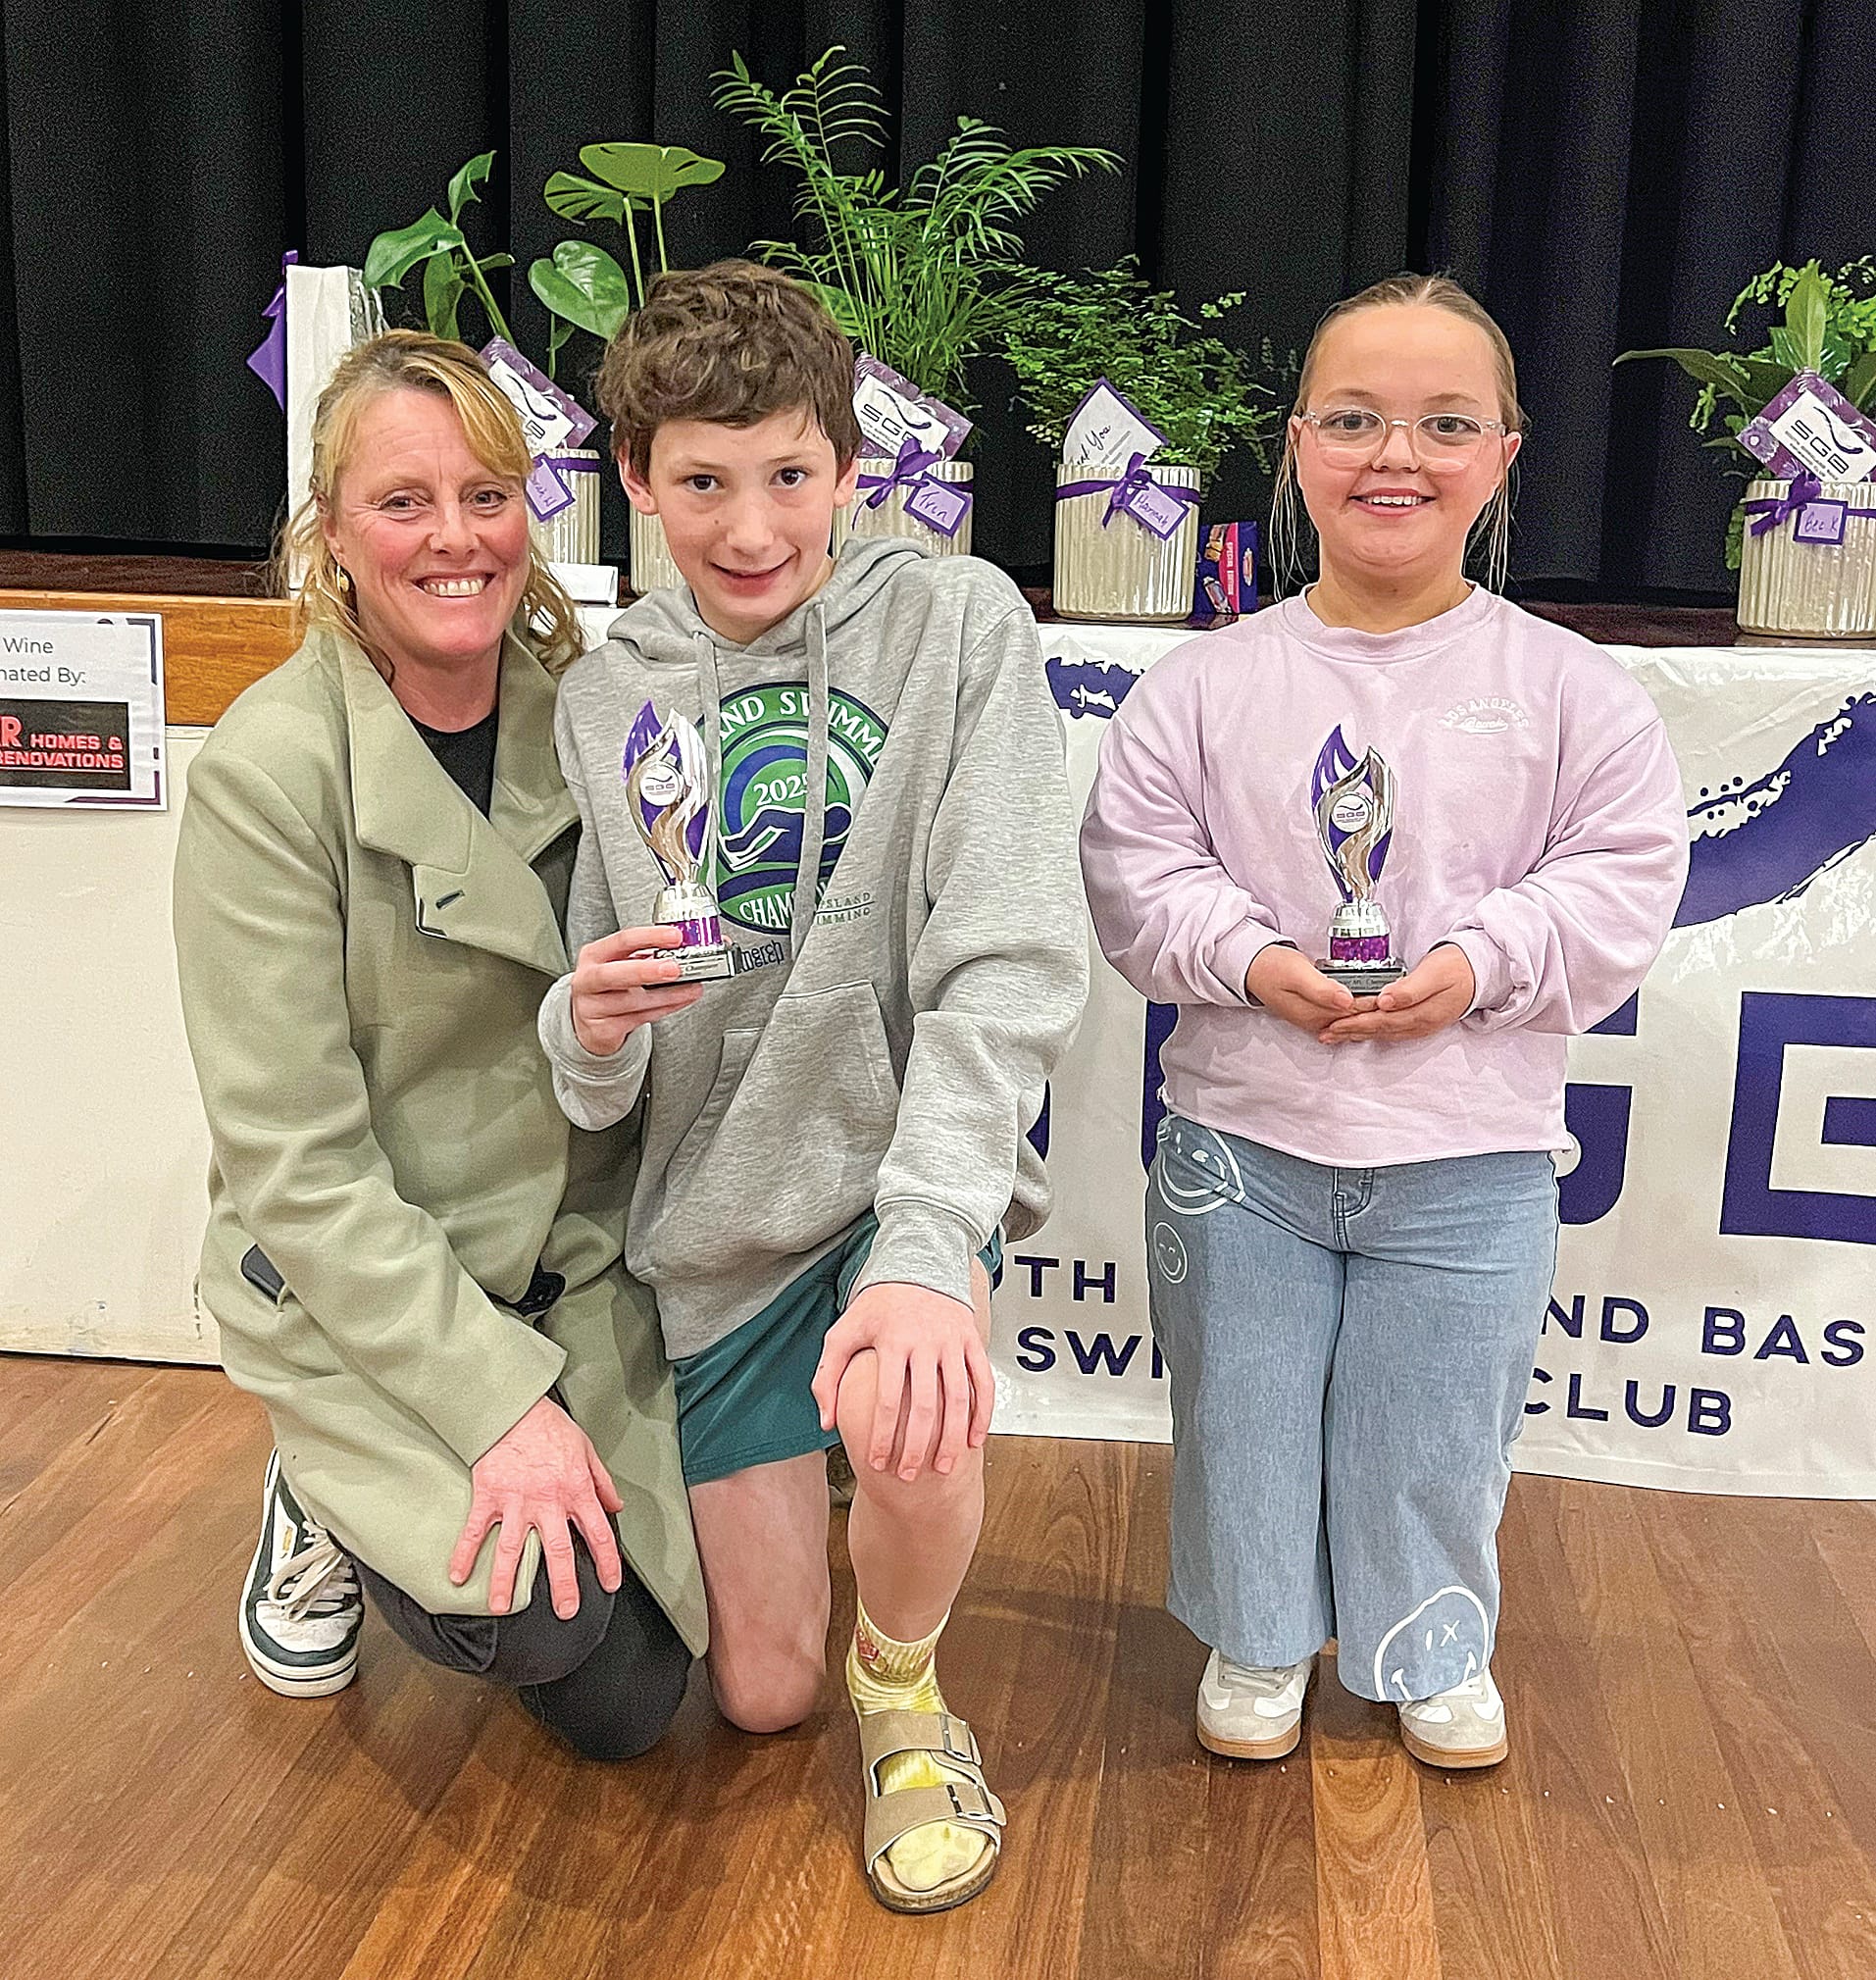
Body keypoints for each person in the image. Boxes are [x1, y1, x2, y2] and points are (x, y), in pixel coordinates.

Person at [1080, 275, 1689, 1770]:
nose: (1391, 455)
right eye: (1352, 420)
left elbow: (1619, 880)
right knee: (1244, 1410)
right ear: (1295, 447)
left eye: (1440, 423)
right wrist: (1245, 957)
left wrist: (1479, 966)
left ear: (1502, 456)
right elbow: (1135, 869)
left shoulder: (1571, 691)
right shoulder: (1204, 686)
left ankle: (1428, 1644)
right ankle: (1258, 1633)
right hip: (1243, 1138)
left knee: (1435, 1426)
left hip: (1468, 1144)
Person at [536, 262, 1087, 1910]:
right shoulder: (600, 696)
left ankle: (911, 1692)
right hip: (717, 1212)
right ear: (634, 480)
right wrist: (588, 1032)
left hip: (900, 1171)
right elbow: (595, 1029)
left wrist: (929, 1251)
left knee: (912, 1410)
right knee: (761, 1692)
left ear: (850, 468)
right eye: (700, 481)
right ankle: (834, 1601)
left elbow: (1006, 959)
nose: (752, 524)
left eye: (788, 473)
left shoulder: (956, 625)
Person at [173, 329, 704, 1760]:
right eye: (404, 502)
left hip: (567, 1263)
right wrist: (493, 1407)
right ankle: (320, 1486)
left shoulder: (598, 727)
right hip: (369, 1285)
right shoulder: (269, 774)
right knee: (540, 1623)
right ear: (334, 535)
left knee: (636, 1707)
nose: (453, 538)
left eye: (486, 495)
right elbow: (297, 1164)